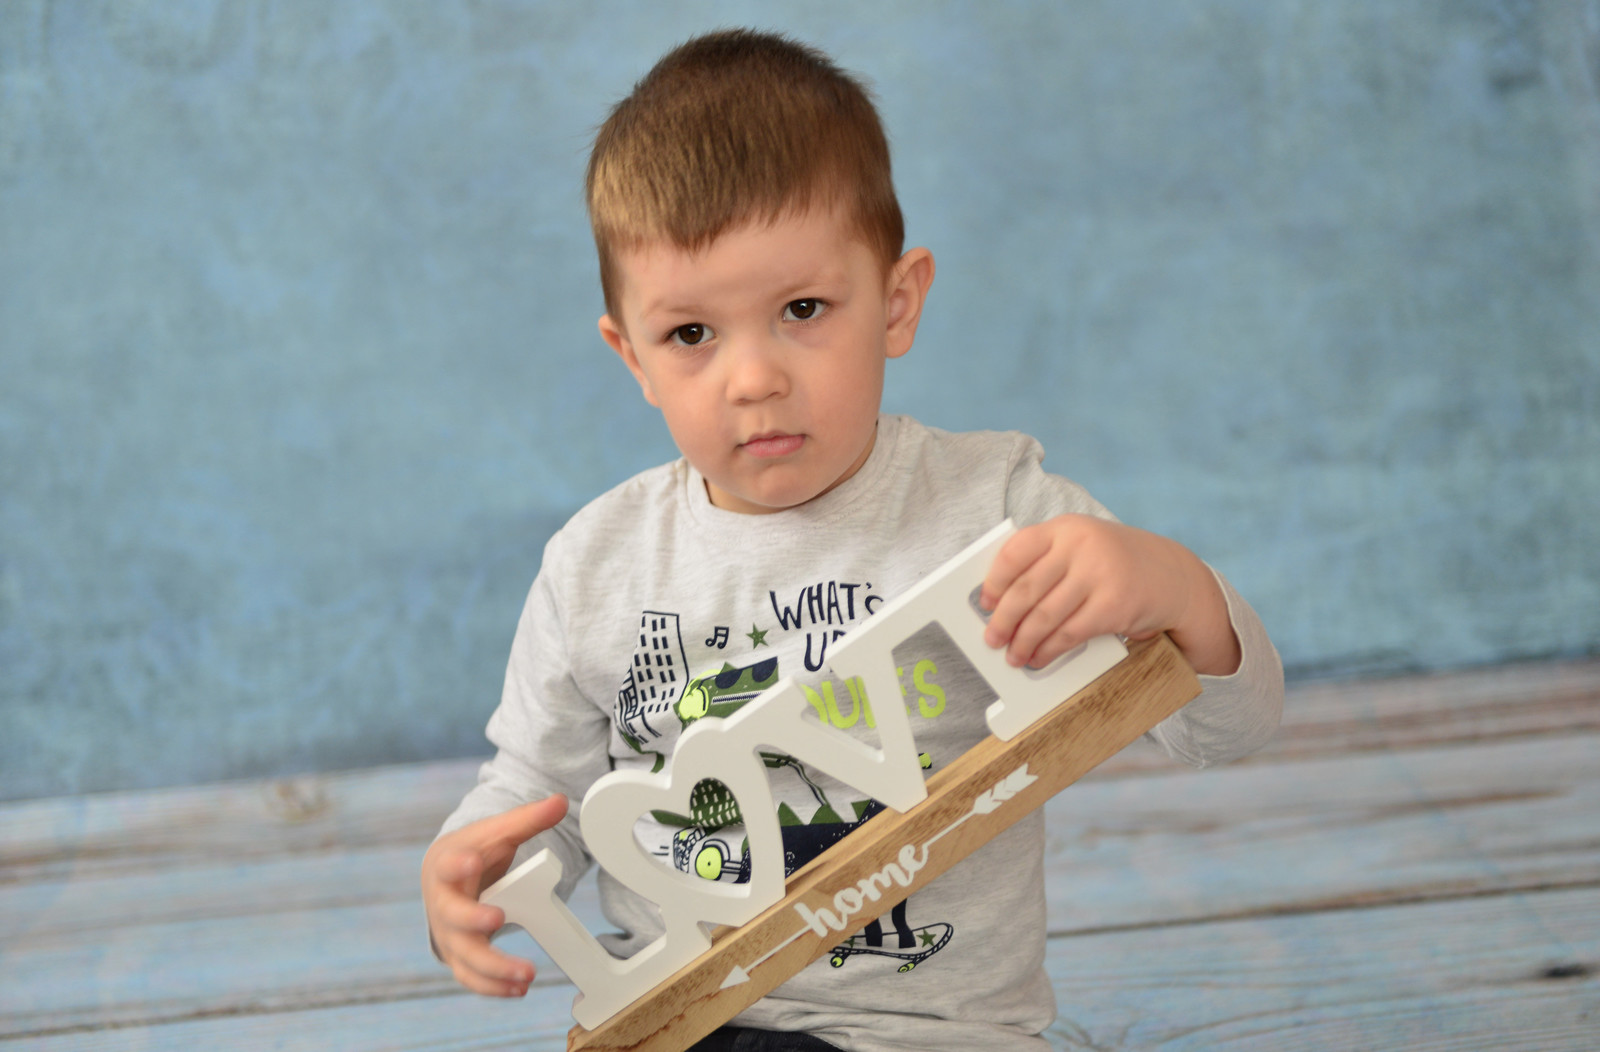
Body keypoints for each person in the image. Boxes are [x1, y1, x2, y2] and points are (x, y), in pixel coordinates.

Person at [421, 28, 1282, 1052]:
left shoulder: (996, 511)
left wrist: (1175, 590)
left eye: (802, 308)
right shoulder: (597, 565)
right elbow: (543, 796)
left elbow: (1228, 729)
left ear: (896, 303)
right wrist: (473, 869)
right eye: (691, 334)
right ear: (633, 357)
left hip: (931, 1033)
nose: (753, 378)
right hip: (688, 1023)